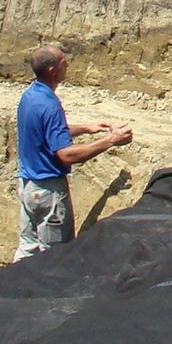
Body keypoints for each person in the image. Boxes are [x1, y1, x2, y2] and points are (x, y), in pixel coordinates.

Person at [14, 44, 132, 260]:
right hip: (47, 193)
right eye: (63, 63)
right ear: (52, 71)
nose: (66, 66)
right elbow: (65, 155)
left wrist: (87, 128)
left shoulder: (29, 96)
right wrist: (110, 141)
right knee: (55, 257)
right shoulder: (50, 104)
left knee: (26, 252)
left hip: (27, 187)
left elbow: (48, 133)